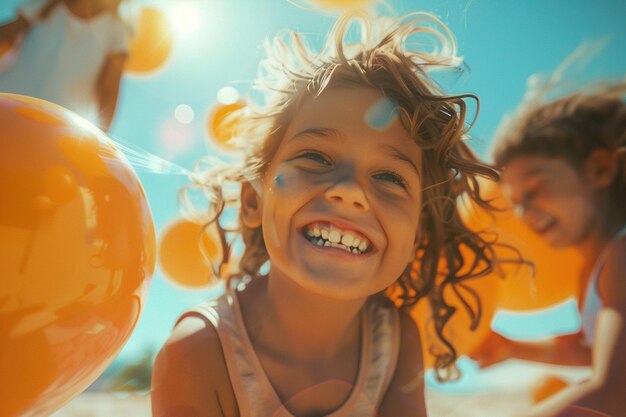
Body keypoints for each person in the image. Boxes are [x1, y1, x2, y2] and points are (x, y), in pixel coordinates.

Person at [152, 11, 500, 417]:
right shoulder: (198, 351)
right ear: (253, 202)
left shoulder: (396, 342)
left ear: (417, 236)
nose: (350, 191)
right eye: (316, 157)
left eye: (390, 177)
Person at [477, 82, 626, 416]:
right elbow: (590, 352)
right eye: (514, 202)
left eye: (535, 189)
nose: (523, 213)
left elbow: (617, 391)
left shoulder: (622, 255)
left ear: (599, 169)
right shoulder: (597, 267)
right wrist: (512, 348)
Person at [0, 0, 130, 130]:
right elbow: (6, 36)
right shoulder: (48, 5)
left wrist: (101, 137)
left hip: (56, 129)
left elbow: (110, 89)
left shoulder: (116, 30)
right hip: (7, 105)